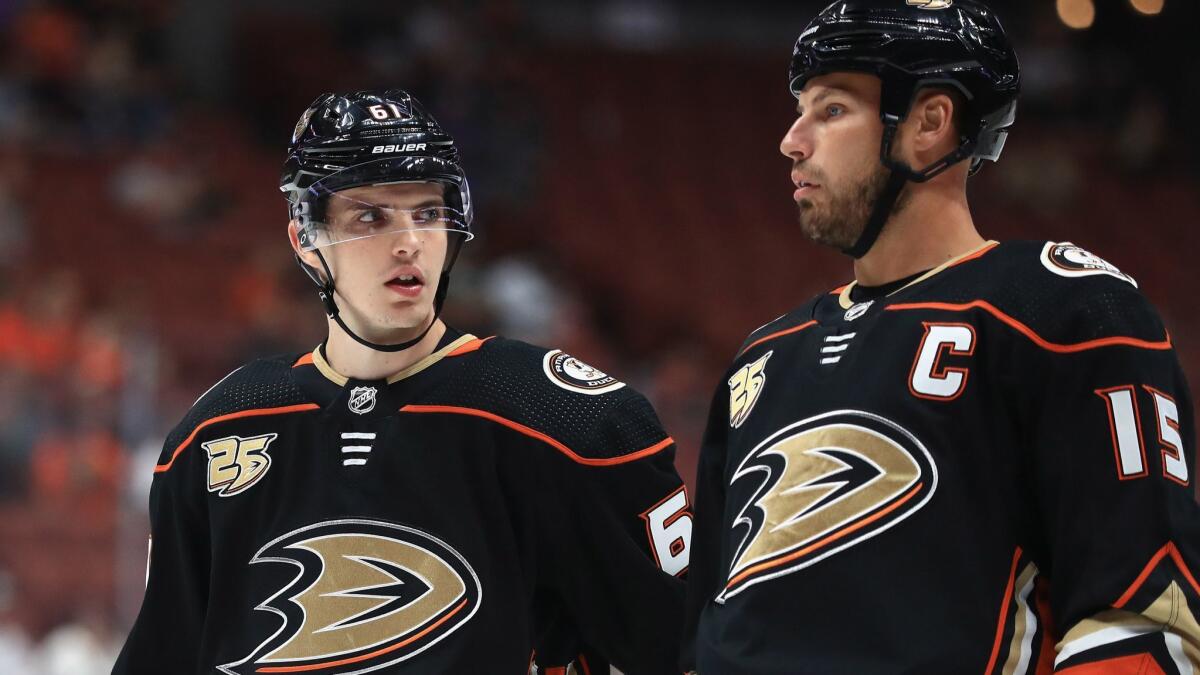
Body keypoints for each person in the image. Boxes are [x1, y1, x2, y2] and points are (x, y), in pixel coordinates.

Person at [682, 2, 1199, 673]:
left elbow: (1142, 615)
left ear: (929, 122)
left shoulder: (1066, 312)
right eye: (799, 108)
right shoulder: (762, 358)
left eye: (831, 109)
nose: (792, 139)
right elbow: (702, 640)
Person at [113, 89, 691, 675]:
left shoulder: (564, 419)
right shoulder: (218, 431)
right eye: (371, 216)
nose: (409, 240)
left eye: (428, 213)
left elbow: (683, 652)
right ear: (306, 240)